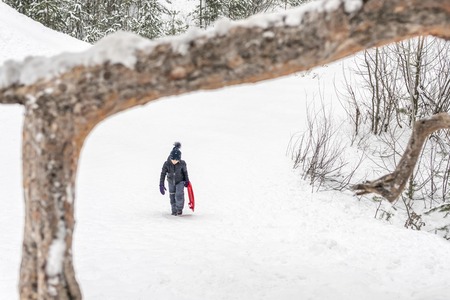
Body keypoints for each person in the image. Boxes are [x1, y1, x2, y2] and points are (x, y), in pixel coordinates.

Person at [159, 142, 190, 216]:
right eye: (173, 160)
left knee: (179, 195)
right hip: (170, 181)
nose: (174, 162)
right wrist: (161, 185)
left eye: (176, 160)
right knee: (172, 196)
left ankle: (179, 209)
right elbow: (163, 174)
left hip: (180, 181)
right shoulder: (166, 164)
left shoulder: (182, 163)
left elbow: (185, 172)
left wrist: (187, 180)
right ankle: (174, 210)